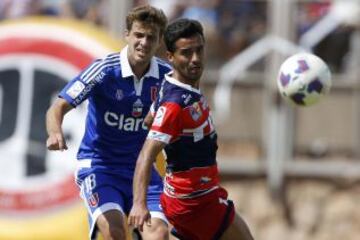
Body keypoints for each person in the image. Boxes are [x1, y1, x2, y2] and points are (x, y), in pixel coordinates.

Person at [46, 5, 171, 240]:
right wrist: (55, 133)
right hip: (100, 167)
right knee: (114, 231)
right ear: (127, 35)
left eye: (151, 37)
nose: (144, 42)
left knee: (159, 234)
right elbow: (57, 107)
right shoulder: (104, 69)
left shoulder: (167, 77)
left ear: (159, 41)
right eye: (139, 35)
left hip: (142, 171)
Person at [128, 19, 254, 240]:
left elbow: (149, 120)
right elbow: (147, 154)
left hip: (196, 195)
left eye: (199, 50)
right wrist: (139, 204)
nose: (195, 59)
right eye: (186, 53)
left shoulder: (173, 83)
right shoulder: (175, 105)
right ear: (171, 57)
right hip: (194, 201)